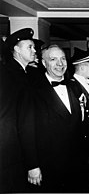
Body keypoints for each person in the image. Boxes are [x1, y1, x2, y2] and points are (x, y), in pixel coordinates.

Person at [28, 44, 88, 192]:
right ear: (44, 63)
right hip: (49, 165)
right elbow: (26, 131)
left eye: (62, 59)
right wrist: (32, 165)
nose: (60, 64)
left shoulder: (74, 87)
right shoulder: (33, 91)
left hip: (76, 164)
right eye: (53, 59)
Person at [0, 28, 38, 192]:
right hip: (12, 155)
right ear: (16, 49)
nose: (34, 50)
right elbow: (16, 121)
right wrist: (32, 163)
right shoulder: (10, 75)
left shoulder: (24, 73)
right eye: (29, 47)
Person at [69, 47, 89, 192]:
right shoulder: (73, 87)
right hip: (81, 145)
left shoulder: (88, 85)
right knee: (82, 183)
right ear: (81, 67)